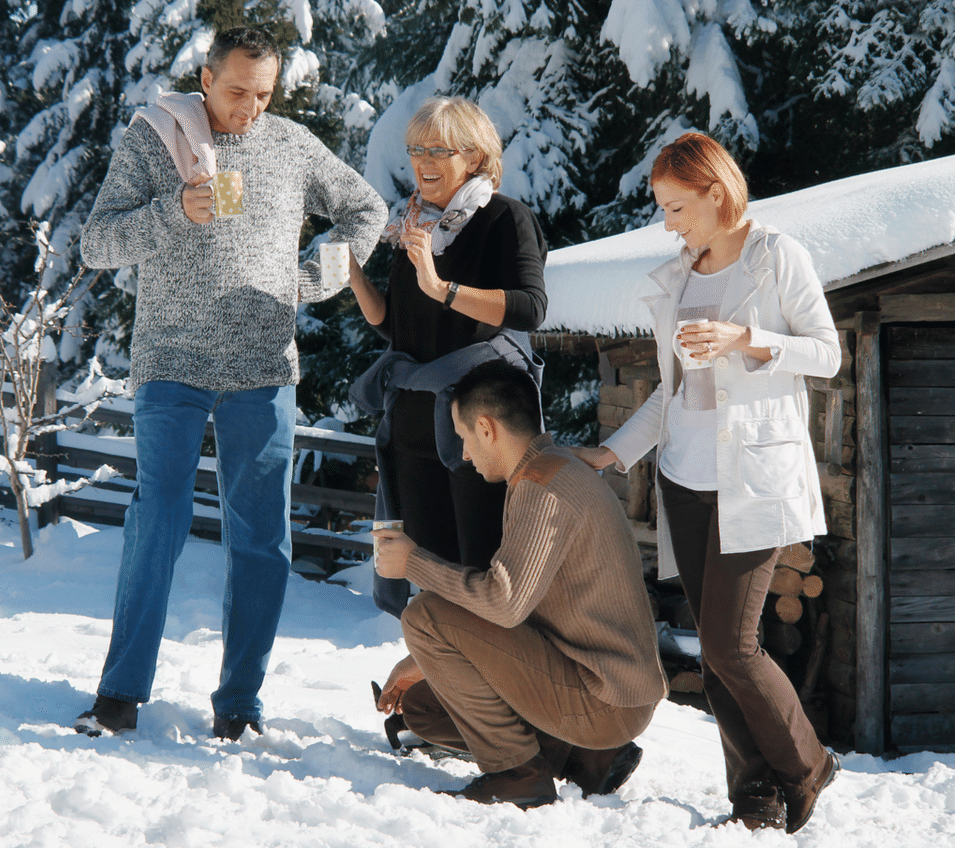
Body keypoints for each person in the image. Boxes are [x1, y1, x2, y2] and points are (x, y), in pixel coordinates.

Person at [73, 25, 387, 741]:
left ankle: (240, 705)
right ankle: (120, 693)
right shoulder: (156, 140)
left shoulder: (289, 144)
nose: (250, 107)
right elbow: (97, 243)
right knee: (157, 522)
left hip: (263, 367)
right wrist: (173, 212)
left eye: (265, 94)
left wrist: (317, 276)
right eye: (239, 90)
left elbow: (365, 209)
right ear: (206, 78)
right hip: (171, 361)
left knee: (263, 541)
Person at [572, 132, 842, 832]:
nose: (668, 223)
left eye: (676, 207)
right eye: (663, 209)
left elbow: (827, 353)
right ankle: (753, 791)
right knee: (715, 645)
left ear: (716, 194)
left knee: (731, 643)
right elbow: (670, 389)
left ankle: (809, 766)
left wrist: (746, 340)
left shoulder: (776, 257)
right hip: (684, 480)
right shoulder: (679, 276)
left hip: (754, 479)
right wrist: (617, 452)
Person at [372, 361, 666, 808]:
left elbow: (505, 603)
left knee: (424, 614)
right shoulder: (555, 468)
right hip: (604, 686)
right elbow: (522, 603)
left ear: (487, 428)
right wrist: (423, 661)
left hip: (605, 698)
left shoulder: (540, 486)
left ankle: (518, 773)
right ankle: (579, 756)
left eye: (464, 437)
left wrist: (413, 562)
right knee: (425, 709)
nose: (465, 454)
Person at [348, 96, 547, 619]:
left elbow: (529, 309)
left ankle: (487, 699)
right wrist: (352, 275)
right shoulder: (414, 223)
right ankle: (437, 697)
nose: (423, 161)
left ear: (476, 157)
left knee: (478, 577)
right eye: (416, 148)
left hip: (480, 430)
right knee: (430, 581)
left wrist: (442, 288)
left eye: (438, 149)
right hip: (415, 425)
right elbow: (398, 327)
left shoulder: (505, 218)